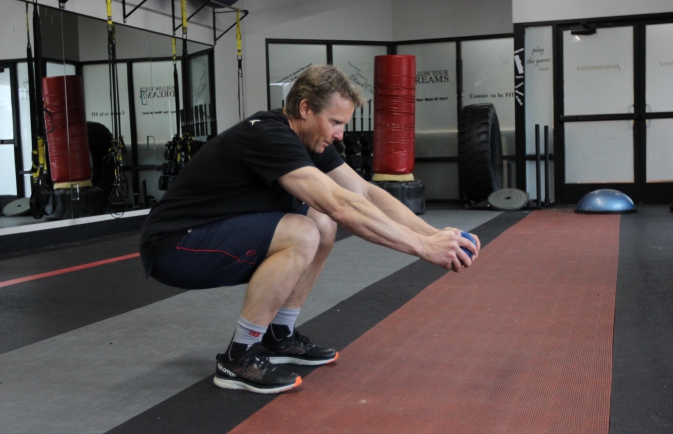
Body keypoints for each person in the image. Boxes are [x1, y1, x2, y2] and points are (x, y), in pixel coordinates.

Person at [139, 64, 480, 394]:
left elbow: (364, 192)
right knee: (303, 230)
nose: (339, 133)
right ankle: (239, 357)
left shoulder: (310, 141)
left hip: (207, 236)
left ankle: (279, 336)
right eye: (334, 122)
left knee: (320, 221)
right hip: (174, 247)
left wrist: (431, 233)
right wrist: (423, 249)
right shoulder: (269, 136)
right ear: (304, 109)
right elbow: (344, 205)